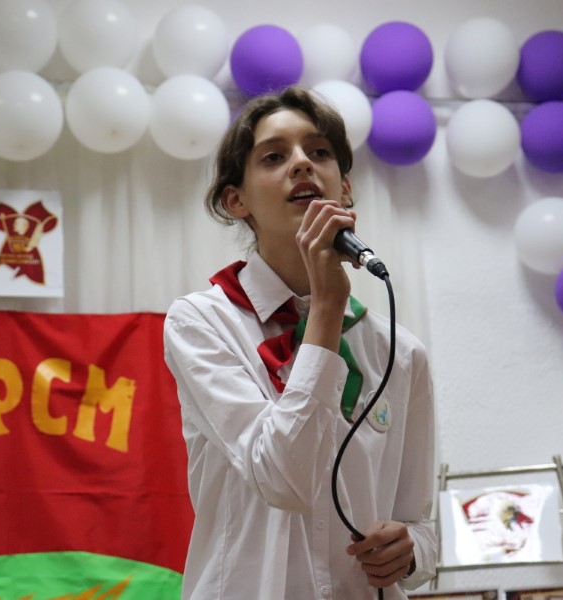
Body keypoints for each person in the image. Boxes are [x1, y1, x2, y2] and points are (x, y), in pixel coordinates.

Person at [163, 86, 436, 599]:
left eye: (320, 152)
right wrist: (327, 305)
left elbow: (419, 523)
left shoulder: (400, 351)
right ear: (236, 200)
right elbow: (283, 480)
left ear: (344, 189)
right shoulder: (201, 322)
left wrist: (412, 549)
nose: (303, 164)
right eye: (274, 156)